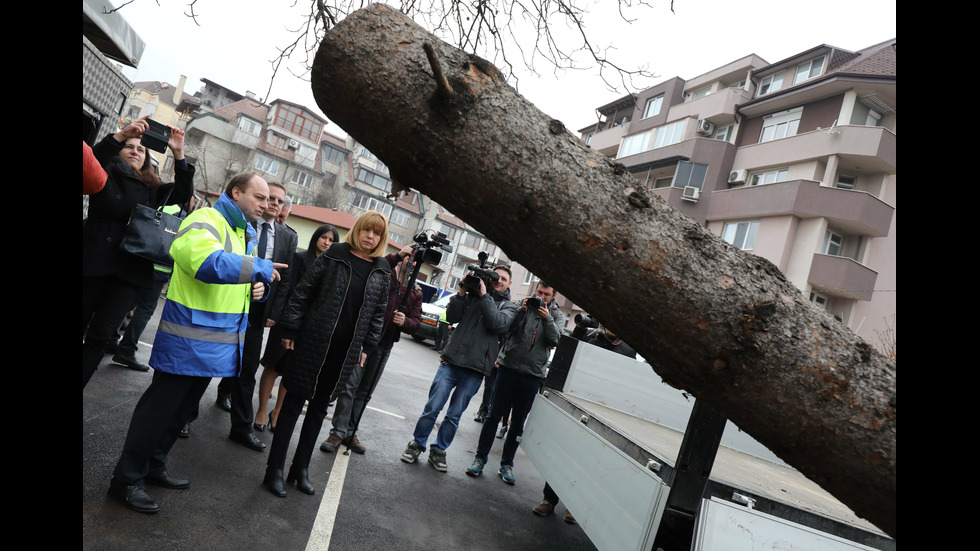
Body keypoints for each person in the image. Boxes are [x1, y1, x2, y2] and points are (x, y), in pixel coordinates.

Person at [107, 172, 283, 514]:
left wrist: (254, 287)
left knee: (178, 415)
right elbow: (204, 263)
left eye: (270, 200)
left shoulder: (240, 232)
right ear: (236, 192)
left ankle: (154, 466)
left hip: (213, 346)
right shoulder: (207, 218)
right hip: (187, 341)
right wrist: (257, 269)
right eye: (260, 197)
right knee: (157, 414)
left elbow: (232, 279)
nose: (267, 205)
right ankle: (125, 480)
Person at [264, 211, 392, 497]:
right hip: (311, 342)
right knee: (293, 405)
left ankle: (301, 469)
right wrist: (291, 331)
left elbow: (377, 315)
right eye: (367, 230)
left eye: (377, 234)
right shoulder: (334, 254)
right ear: (358, 230)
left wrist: (367, 348)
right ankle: (274, 469)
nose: (370, 237)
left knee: (319, 409)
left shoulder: (383, 270)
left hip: (344, 353)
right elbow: (303, 292)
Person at [83, 116, 194, 388]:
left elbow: (183, 191)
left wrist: (178, 152)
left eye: (141, 149)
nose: (135, 150)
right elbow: (89, 160)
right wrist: (121, 134)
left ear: (147, 159)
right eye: (129, 146)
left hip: (129, 272)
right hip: (93, 261)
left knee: (100, 337)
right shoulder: (104, 172)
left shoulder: (153, 189)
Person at [400, 265, 517, 472]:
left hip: (475, 370)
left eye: (504, 279)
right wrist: (462, 291)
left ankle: (439, 451)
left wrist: (483, 296)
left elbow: (496, 324)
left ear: (509, 284)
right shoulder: (472, 295)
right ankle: (417, 444)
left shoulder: (509, 307)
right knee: (432, 407)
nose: (499, 280)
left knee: (454, 415)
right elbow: (452, 316)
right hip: (451, 361)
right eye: (496, 277)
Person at [212, 181, 297, 451]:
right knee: (210, 359)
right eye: (268, 197)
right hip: (229, 300)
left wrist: (273, 310)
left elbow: (284, 278)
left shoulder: (287, 236)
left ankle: (241, 426)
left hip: (260, 306)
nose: (273, 203)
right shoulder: (243, 225)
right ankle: (186, 416)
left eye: (279, 201)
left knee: (248, 366)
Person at [320, 245, 423, 455]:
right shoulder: (387, 276)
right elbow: (380, 265)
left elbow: (416, 322)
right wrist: (398, 255)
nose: (411, 265)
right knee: (349, 387)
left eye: (414, 263)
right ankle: (338, 432)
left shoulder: (415, 292)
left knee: (365, 393)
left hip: (385, 346)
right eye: (409, 260)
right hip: (365, 341)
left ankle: (350, 431)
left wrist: (405, 322)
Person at [532, 314, 635, 523]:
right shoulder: (589, 336)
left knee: (586, 460)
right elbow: (568, 351)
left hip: (601, 411)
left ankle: (574, 506)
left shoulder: (627, 349)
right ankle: (548, 500)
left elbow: (626, 384)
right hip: (576, 401)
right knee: (563, 454)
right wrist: (580, 329)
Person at [466, 282, 564, 484]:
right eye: (539, 293)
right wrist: (521, 311)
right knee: (493, 416)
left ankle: (506, 464)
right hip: (508, 369)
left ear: (553, 296)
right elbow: (506, 329)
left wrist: (547, 320)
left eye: (547, 294)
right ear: (534, 291)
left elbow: (556, 341)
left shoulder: (556, 316)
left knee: (518, 424)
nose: (542, 297)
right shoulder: (522, 305)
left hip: (533, 375)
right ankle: (479, 459)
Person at [255, 224, 339, 433]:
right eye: (323, 237)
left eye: (331, 240)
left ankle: (277, 413)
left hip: (309, 329)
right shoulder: (300, 258)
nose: (327, 242)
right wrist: (279, 316)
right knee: (273, 366)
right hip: (288, 321)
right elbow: (287, 289)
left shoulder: (334, 266)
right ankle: (262, 410)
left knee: (290, 372)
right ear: (315, 238)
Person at [110, 197, 200, 372]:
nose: (194, 202)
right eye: (193, 199)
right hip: (159, 268)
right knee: (145, 309)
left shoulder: (164, 204)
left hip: (140, 259)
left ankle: (111, 339)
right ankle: (126, 350)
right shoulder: (182, 215)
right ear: (189, 199)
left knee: (130, 302)